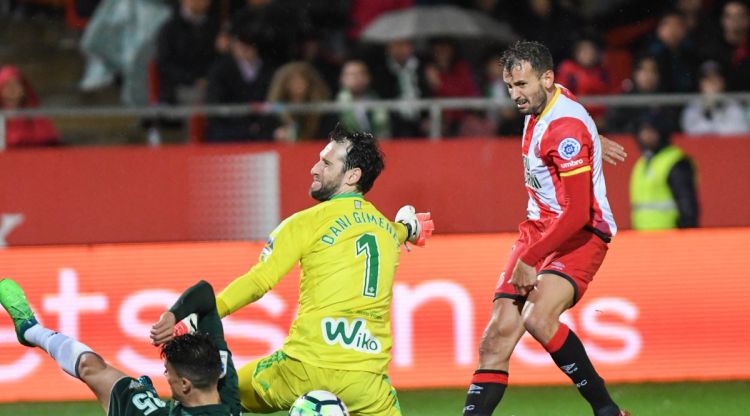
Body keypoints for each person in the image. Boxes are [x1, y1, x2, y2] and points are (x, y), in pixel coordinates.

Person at [191, 124, 434, 415]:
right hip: (366, 383)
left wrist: (203, 315)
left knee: (211, 394)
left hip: (302, 370)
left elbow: (260, 281)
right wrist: (411, 228)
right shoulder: (385, 229)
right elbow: (401, 230)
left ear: (353, 176)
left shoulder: (305, 223)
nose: (314, 168)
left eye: (327, 163)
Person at [462, 41, 629, 416]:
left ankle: (607, 410)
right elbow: (573, 125)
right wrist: (591, 141)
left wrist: (531, 259)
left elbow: (577, 213)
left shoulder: (563, 127)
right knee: (494, 341)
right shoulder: (551, 103)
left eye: (522, 85)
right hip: (537, 228)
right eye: (509, 87)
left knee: (538, 317)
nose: (515, 95)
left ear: (548, 78)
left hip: (581, 233)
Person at [0, 278, 240, 416]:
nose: (166, 375)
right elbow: (206, 294)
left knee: (91, 367)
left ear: (186, 384)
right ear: (217, 366)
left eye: (169, 373)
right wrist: (172, 315)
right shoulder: (226, 389)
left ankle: (30, 329)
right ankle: (29, 330)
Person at [631, 111, 699, 230]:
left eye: (650, 131)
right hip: (642, 238)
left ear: (661, 132)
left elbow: (687, 206)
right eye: (642, 131)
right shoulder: (642, 163)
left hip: (669, 239)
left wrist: (686, 236)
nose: (644, 135)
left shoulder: (675, 162)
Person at [265, 61, 338, 141]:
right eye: (292, 81)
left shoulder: (321, 110)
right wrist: (275, 134)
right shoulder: (274, 110)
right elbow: (264, 133)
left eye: (301, 80)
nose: (297, 85)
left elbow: (329, 133)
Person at [680, 60, 750, 136]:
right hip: (701, 146)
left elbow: (742, 130)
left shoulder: (733, 104)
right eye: (708, 80)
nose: (712, 84)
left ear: (722, 82)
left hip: (728, 146)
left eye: (715, 79)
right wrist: (708, 114)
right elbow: (690, 131)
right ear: (701, 84)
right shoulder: (693, 106)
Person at [0, 65, 60, 147]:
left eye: (16, 84)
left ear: (24, 89)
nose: (12, 89)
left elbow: (50, 140)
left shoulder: (35, 115)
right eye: (6, 85)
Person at [336, 58, 391, 138]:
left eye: (361, 73)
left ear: (368, 77)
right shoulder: (333, 106)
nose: (357, 78)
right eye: (351, 74)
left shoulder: (377, 100)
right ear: (342, 79)